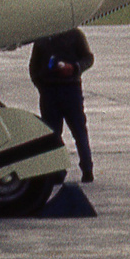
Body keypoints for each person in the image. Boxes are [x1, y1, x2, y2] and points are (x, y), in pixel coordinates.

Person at [28, 29, 95, 184]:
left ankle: (86, 169)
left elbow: (88, 58)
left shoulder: (74, 35)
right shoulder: (43, 37)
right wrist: (42, 85)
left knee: (78, 132)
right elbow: (34, 66)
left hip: (69, 89)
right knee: (53, 134)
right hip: (50, 91)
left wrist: (74, 68)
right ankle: (58, 171)